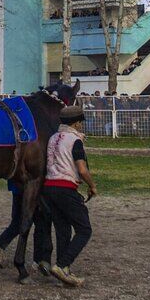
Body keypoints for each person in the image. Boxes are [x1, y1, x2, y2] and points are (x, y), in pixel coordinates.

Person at [39, 108, 96, 287]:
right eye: (81, 122)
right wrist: (92, 185)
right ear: (77, 123)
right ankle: (63, 264)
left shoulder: (53, 138)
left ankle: (64, 271)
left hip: (49, 187)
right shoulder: (75, 141)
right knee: (84, 229)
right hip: (66, 187)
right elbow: (81, 168)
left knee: (62, 230)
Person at [0, 181, 51, 276]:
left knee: (18, 221)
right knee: (40, 222)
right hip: (33, 189)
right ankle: (38, 260)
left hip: (17, 187)